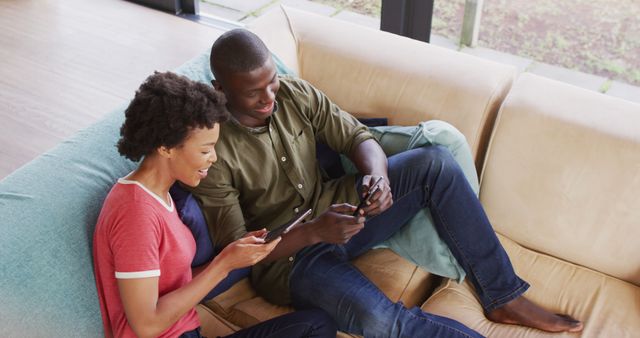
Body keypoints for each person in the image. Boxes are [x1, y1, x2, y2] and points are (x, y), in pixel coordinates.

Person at [191, 29, 584, 337]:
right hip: (291, 262)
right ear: (220, 88)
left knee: (434, 163)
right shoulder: (209, 148)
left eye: (271, 82)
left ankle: (502, 294)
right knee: (382, 321)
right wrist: (314, 232)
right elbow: (237, 251)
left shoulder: (294, 93)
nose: (268, 98)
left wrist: (375, 176)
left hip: (340, 208)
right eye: (253, 92)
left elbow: (358, 138)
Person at [92, 71, 337, 338]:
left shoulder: (160, 195)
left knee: (317, 325)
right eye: (205, 150)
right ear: (166, 147)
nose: (214, 159)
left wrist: (233, 255)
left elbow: (175, 283)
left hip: (189, 332)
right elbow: (146, 325)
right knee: (314, 328)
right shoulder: (135, 213)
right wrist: (223, 265)